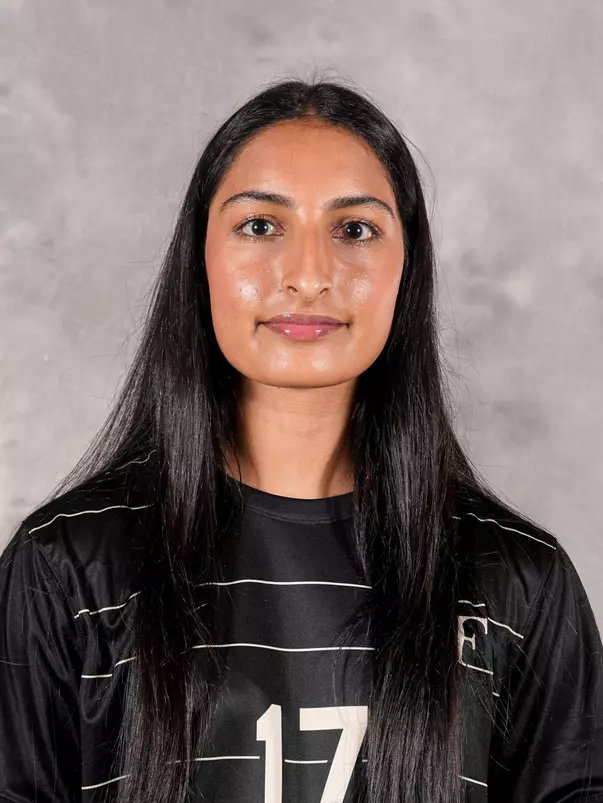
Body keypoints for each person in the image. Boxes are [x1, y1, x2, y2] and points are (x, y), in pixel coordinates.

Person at [1, 76, 602, 803]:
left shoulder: (520, 584)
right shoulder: (65, 569)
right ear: (199, 259)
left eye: (355, 230)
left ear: (407, 267)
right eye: (260, 226)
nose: (309, 275)